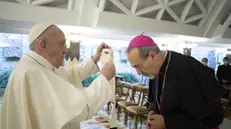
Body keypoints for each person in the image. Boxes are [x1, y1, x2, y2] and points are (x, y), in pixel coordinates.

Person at [0, 23, 116, 129]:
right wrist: (104, 78)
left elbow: (71, 74)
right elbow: (79, 107)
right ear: (43, 45)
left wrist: (95, 58)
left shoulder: (38, 66)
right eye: (62, 44)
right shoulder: (32, 72)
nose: (66, 50)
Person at [126, 34, 225, 129]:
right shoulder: (155, 70)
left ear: (151, 56)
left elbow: (211, 117)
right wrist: (153, 114)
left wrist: (167, 122)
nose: (138, 73)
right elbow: (158, 102)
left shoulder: (185, 67)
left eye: (138, 66)